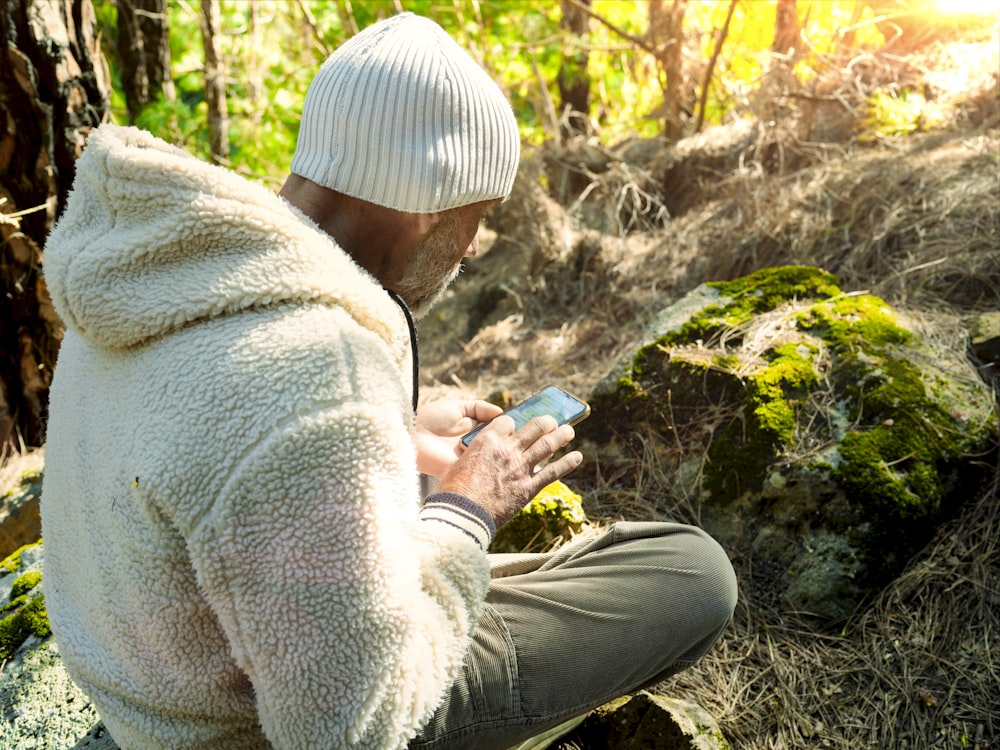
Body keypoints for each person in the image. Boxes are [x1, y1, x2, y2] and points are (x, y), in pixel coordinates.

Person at [41, 12, 737, 750]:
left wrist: (389, 440)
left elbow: (205, 453)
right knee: (690, 573)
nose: (472, 246)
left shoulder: (157, 277)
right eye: (475, 215)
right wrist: (469, 508)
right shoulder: (314, 368)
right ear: (425, 204)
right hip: (261, 727)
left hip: (160, 690)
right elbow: (351, 726)